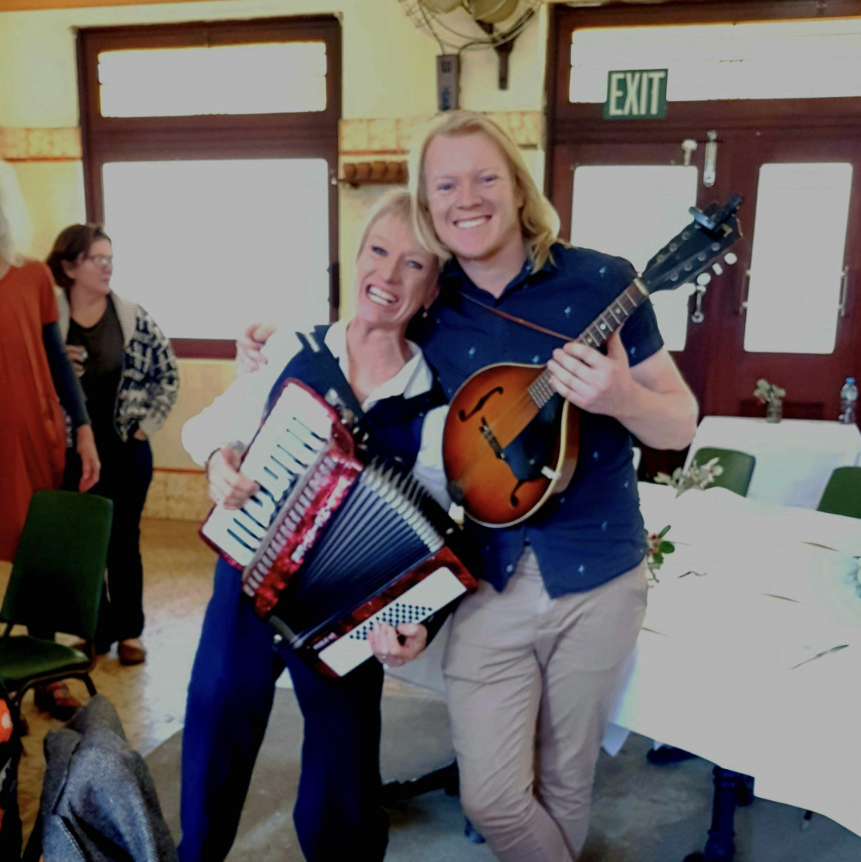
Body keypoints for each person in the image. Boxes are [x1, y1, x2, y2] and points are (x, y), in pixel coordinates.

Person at [239, 110, 698, 861]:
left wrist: (619, 397)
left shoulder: (603, 282)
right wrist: (270, 343)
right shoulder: (434, 302)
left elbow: (676, 424)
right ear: (428, 202)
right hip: (486, 579)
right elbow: (357, 333)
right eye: (445, 183)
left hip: (600, 575)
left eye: (486, 177)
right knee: (491, 797)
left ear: (517, 189)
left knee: (564, 780)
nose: (467, 197)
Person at [178, 189, 453, 862]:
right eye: (378, 252)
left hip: (343, 606)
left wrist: (416, 621)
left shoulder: (433, 402)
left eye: (412, 265)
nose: (387, 277)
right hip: (248, 575)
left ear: (432, 287)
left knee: (344, 770)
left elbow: (436, 532)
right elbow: (208, 433)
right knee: (218, 724)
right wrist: (219, 462)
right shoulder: (290, 352)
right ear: (354, 259)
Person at [46, 224, 179, 666]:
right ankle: (96, 630)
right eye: (96, 259)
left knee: (124, 541)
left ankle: (130, 633)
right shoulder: (51, 319)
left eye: (110, 258)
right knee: (86, 546)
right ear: (69, 266)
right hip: (72, 451)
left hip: (126, 450)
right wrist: (56, 368)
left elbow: (168, 374)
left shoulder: (132, 317)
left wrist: (145, 426)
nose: (107, 267)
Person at [0, 162, 100, 721]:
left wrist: (83, 429)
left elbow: (59, 364)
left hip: (34, 437)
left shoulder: (33, 277)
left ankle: (46, 675)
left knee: (35, 555)